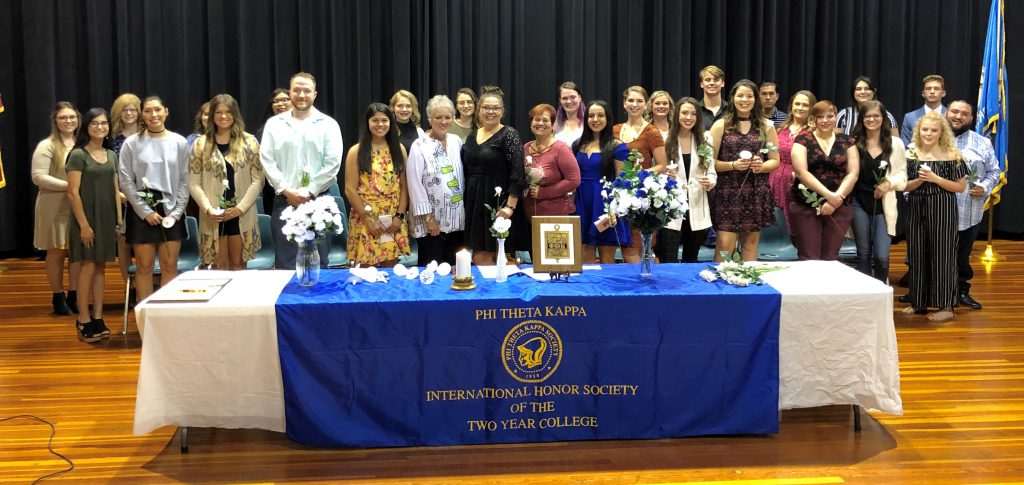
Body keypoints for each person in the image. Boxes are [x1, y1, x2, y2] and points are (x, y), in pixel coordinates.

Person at [260, 72, 344, 269]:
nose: (301, 94)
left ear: (315, 94)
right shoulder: (274, 124)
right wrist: (287, 190)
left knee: (318, 263)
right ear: (290, 93)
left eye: (306, 90)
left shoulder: (328, 125)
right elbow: (267, 160)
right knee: (286, 264)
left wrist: (309, 191)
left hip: (318, 202)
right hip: (284, 201)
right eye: (296, 90)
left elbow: (332, 164)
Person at [118, 96, 190, 302]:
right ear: (142, 114)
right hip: (142, 209)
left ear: (166, 111)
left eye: (157, 110)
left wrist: (176, 213)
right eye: (148, 111)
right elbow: (125, 180)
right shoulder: (131, 143)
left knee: (169, 266)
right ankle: (145, 317)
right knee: (145, 266)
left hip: (171, 209)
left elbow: (185, 180)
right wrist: (145, 212)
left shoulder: (179, 142)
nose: (153, 115)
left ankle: (166, 315)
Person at [901, 112, 966, 322]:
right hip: (916, 205)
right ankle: (918, 301)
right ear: (919, 131)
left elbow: (959, 186)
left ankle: (946, 306)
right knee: (917, 252)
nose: (928, 134)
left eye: (934, 130)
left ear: (941, 133)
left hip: (943, 207)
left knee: (943, 255)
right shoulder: (911, 153)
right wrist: (919, 181)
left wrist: (935, 178)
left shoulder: (951, 155)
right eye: (925, 129)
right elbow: (905, 185)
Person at [188, 94, 265, 270]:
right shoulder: (200, 144)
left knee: (238, 265)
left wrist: (239, 209)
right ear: (212, 115)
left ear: (235, 114)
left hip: (241, 214)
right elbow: (193, 182)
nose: (223, 116)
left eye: (228, 112)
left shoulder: (249, 141)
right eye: (219, 112)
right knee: (219, 267)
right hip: (213, 214)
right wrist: (208, 208)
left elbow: (258, 179)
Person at [709, 80, 780, 262]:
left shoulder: (767, 126)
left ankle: (747, 286)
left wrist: (760, 166)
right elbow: (708, 163)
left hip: (756, 191)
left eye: (749, 96)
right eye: (740, 95)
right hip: (727, 192)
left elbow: (775, 161)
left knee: (750, 243)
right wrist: (733, 165)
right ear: (732, 98)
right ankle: (721, 287)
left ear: (756, 100)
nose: (744, 100)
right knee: (725, 245)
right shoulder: (720, 125)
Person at [66, 108, 120, 341]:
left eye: (104, 123)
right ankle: (83, 319)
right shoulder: (78, 155)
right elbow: (72, 193)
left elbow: (116, 191)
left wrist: (119, 221)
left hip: (107, 219)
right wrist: (84, 225)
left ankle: (98, 316)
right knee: (88, 266)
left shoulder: (111, 154)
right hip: (86, 218)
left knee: (101, 267)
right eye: (95, 123)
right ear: (86, 127)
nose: (100, 127)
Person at [461, 86, 527, 265]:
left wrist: (510, 207)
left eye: (495, 108)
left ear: (502, 111)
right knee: (478, 257)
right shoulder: (472, 136)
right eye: (486, 107)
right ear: (479, 110)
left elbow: (517, 173)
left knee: (494, 256)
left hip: (498, 203)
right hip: (475, 203)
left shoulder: (509, 134)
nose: (490, 112)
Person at [947, 99, 1001, 310]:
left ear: (971, 118)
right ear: (946, 113)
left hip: (968, 211)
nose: (958, 116)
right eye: (954, 111)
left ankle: (961, 291)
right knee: (931, 253)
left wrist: (985, 187)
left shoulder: (982, 143)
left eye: (964, 113)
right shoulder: (932, 139)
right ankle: (927, 292)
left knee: (962, 254)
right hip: (935, 210)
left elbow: (995, 172)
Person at [789, 100, 859, 260]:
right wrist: (830, 196)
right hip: (806, 205)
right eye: (820, 117)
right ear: (813, 119)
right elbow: (801, 172)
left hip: (840, 206)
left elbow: (853, 174)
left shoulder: (847, 141)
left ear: (836, 117)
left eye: (830, 116)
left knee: (831, 258)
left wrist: (836, 200)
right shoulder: (802, 139)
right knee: (809, 257)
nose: (825, 120)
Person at [344, 103, 411, 267]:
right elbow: (350, 190)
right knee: (367, 272)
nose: (380, 125)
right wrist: (368, 220)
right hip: (366, 217)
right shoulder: (356, 151)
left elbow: (405, 186)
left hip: (392, 217)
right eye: (375, 120)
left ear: (391, 123)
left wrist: (400, 216)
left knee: (391, 270)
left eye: (384, 120)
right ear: (367, 123)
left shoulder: (399, 149)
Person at [32, 102, 81, 315]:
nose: (68, 121)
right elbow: (39, 177)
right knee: (57, 252)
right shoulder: (47, 145)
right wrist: (70, 187)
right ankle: (58, 296)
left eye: (71, 117)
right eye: (63, 117)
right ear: (55, 121)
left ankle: (74, 294)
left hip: (80, 205)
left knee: (79, 253)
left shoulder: (84, 143)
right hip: (54, 205)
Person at [850, 100, 907, 281]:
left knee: (882, 256)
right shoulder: (854, 143)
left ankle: (882, 291)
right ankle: (866, 294)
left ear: (883, 118)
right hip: (858, 201)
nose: (872, 119)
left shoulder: (895, 143)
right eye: (867, 116)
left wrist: (888, 184)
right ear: (862, 119)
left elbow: (902, 175)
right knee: (864, 252)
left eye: (876, 116)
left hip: (884, 203)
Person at [406, 95, 465, 266]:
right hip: (430, 223)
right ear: (430, 118)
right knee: (432, 270)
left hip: (456, 220)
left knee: (454, 270)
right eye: (438, 117)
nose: (443, 121)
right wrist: (429, 218)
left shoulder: (456, 141)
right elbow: (414, 183)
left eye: (448, 117)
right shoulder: (419, 145)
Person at [657, 97, 716, 263]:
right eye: (684, 113)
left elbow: (712, 173)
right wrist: (664, 177)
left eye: (693, 114)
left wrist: (710, 181)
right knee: (668, 259)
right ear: (676, 115)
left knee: (691, 259)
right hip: (671, 206)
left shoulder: (705, 140)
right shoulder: (664, 138)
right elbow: (657, 170)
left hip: (696, 205)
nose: (688, 117)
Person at [614, 86, 667, 263]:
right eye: (630, 100)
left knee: (639, 245)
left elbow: (662, 165)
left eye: (639, 101)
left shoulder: (652, 132)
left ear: (646, 105)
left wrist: (641, 174)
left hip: (640, 197)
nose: (634, 104)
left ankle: (643, 285)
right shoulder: (614, 130)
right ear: (624, 103)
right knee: (624, 246)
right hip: (619, 196)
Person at [573, 100, 630, 264]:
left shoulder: (618, 146)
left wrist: (615, 210)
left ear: (608, 118)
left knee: (606, 253)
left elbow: (622, 181)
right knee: (585, 251)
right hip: (582, 202)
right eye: (591, 116)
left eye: (600, 115)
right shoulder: (578, 145)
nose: (595, 119)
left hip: (606, 204)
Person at [109, 94, 142, 304]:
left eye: (133, 109)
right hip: (120, 197)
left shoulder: (147, 135)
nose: (129, 114)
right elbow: (110, 171)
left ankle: (146, 284)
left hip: (145, 197)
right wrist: (118, 194)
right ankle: (129, 286)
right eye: (124, 110)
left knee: (144, 243)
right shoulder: (111, 139)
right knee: (123, 243)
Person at [522, 103, 580, 221]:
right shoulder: (525, 148)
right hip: (528, 214)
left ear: (553, 124)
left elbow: (574, 180)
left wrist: (544, 192)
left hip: (555, 215)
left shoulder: (561, 149)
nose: (540, 123)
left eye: (545, 120)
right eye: (536, 119)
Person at [770, 90, 816, 231]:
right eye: (797, 104)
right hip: (775, 180)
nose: (800, 108)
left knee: (797, 227)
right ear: (792, 106)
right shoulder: (781, 129)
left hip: (798, 182)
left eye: (805, 105)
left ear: (811, 108)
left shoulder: (814, 132)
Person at [257, 88, 292, 215]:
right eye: (275, 101)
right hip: (273, 186)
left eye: (284, 100)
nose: (280, 104)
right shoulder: (265, 130)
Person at [901, 75, 947, 145]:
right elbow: (905, 146)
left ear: (943, 93)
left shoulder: (950, 116)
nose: (932, 92)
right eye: (928, 88)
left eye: (936, 89)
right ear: (923, 93)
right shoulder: (910, 118)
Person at [391, 90, 426, 154]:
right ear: (393, 108)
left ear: (413, 109)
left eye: (408, 106)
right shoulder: (388, 130)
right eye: (400, 106)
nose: (404, 109)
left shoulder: (420, 132)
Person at [697, 65, 729, 130]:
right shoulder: (695, 110)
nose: (712, 83)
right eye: (708, 80)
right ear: (701, 84)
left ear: (722, 83)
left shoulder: (731, 110)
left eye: (716, 80)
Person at [554, 82, 585, 146]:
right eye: (564, 98)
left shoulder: (589, 122)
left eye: (573, 97)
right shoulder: (553, 124)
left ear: (579, 98)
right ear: (560, 100)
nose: (569, 101)